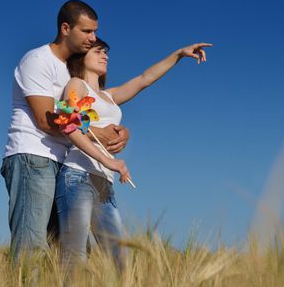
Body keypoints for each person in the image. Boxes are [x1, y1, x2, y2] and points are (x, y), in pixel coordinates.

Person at [55, 37, 212, 270]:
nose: (104, 55)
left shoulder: (110, 96)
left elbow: (144, 79)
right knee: (74, 258)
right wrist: (108, 161)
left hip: (104, 184)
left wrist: (178, 54)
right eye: (98, 51)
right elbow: (69, 126)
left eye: (106, 52)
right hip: (77, 177)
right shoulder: (77, 85)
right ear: (82, 56)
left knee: (120, 261)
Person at [0, 0, 130, 262]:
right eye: (87, 32)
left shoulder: (72, 70)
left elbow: (87, 112)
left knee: (69, 252)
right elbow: (45, 120)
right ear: (65, 28)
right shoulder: (37, 60)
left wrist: (118, 132)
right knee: (31, 245)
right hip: (33, 158)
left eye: (95, 32)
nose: (93, 38)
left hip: (63, 164)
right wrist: (97, 134)